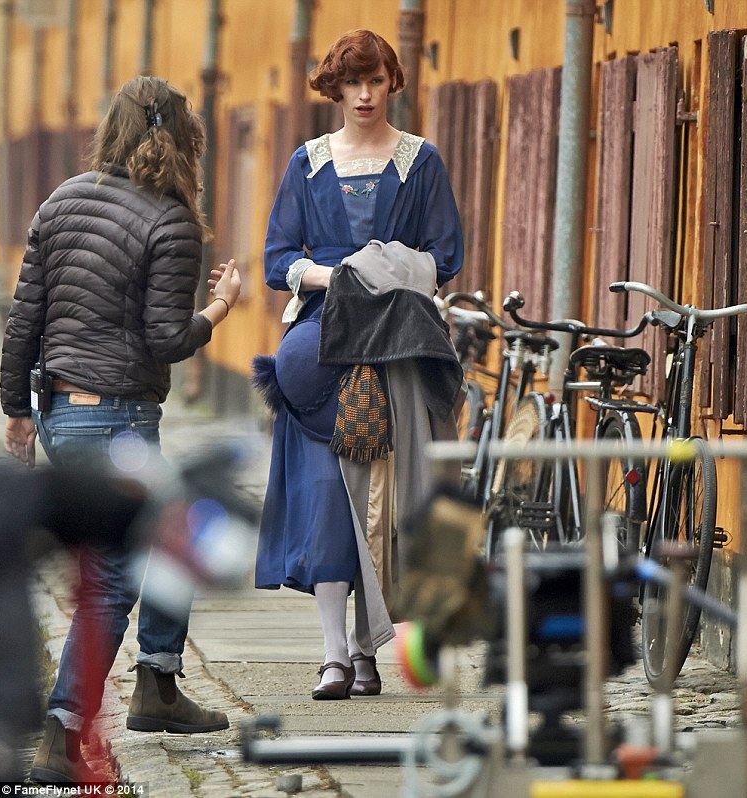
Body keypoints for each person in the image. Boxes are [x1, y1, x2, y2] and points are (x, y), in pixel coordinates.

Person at [0, 75, 242, 784]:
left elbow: (25, 319)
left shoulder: (60, 200)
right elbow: (167, 338)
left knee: (177, 532)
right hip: (121, 415)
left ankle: (159, 684)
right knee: (110, 580)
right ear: (184, 139)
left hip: (61, 409)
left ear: (111, 129)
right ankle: (63, 728)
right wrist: (223, 305)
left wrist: (17, 409)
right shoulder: (170, 221)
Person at [254, 29, 464, 701]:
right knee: (325, 500)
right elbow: (277, 259)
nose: (365, 94)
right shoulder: (308, 163)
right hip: (322, 348)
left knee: (389, 500)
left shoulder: (419, 161)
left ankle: (375, 650)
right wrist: (330, 273)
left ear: (391, 84)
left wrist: (388, 269)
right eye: (353, 83)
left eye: (375, 81)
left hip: (398, 343)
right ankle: (334, 654)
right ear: (335, 89)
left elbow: (446, 254)